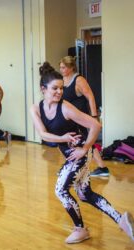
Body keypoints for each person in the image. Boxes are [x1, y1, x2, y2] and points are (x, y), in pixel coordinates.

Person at [30, 62, 134, 244]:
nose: (59, 92)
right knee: (85, 194)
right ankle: (121, 220)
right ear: (43, 89)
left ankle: (80, 229)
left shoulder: (66, 107)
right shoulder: (36, 108)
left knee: (60, 190)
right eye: (55, 88)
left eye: (61, 88)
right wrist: (63, 138)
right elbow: (43, 135)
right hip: (71, 153)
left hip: (79, 154)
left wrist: (85, 149)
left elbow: (96, 125)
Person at [59, 56, 109, 177]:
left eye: (63, 67)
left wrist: (94, 116)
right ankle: (71, 165)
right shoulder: (63, 79)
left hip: (81, 116)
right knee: (69, 141)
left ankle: (102, 167)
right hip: (70, 117)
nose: (61, 70)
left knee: (88, 141)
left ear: (71, 68)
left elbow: (90, 97)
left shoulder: (79, 80)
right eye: (60, 67)